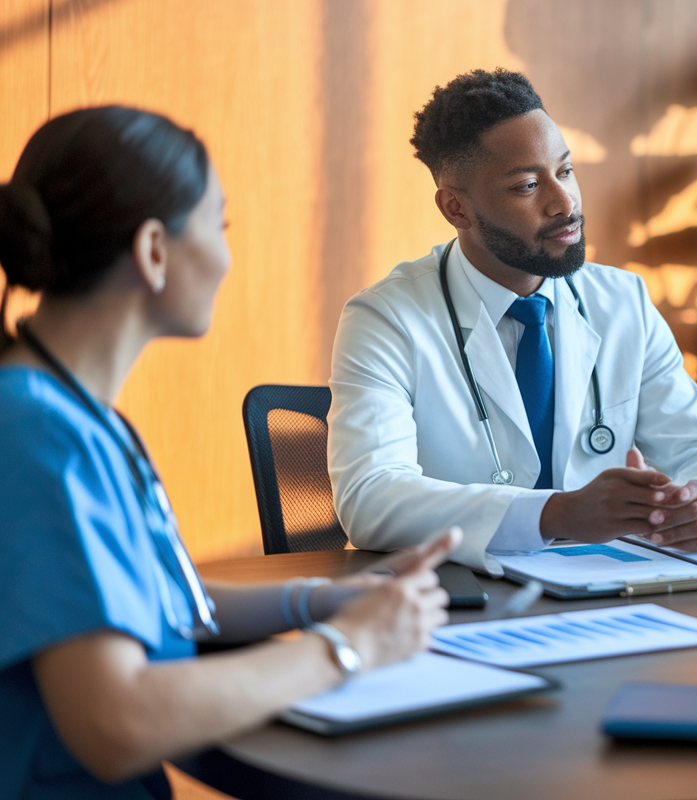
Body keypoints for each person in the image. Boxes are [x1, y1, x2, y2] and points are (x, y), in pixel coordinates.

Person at [0, 106, 456, 799]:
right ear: (153, 251)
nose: (228, 257)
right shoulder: (37, 435)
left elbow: (160, 598)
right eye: (219, 227)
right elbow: (114, 723)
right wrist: (348, 647)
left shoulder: (74, 415)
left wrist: (328, 602)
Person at [328, 69, 697, 574]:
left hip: (607, 595)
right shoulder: (386, 318)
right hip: (460, 607)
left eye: (566, 171)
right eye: (528, 185)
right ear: (455, 207)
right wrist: (558, 513)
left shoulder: (624, 301)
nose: (564, 202)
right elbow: (371, 497)